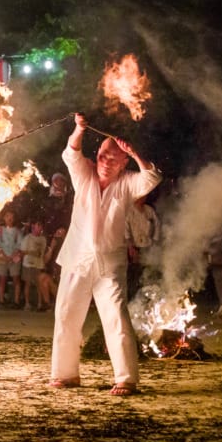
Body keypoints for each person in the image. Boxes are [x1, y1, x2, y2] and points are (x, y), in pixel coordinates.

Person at [49, 113, 162, 397]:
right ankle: (65, 374)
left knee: (116, 318)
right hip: (77, 258)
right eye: (102, 155)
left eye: (113, 158)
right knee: (66, 315)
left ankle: (126, 379)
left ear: (123, 162)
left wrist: (134, 152)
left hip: (110, 263)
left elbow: (152, 176)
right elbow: (72, 152)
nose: (106, 161)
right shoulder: (84, 172)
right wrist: (78, 128)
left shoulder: (128, 182)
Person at [0, 209, 25, 307]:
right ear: (4, 218)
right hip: (3, 259)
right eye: (7, 216)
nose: (9, 219)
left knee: (16, 279)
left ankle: (16, 301)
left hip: (14, 259)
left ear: (14, 219)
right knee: (1, 279)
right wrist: (4, 256)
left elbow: (20, 246)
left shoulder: (18, 232)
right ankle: (1, 300)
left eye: (11, 217)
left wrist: (13, 256)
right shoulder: (0, 231)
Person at [20, 220, 53, 311]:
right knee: (28, 284)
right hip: (28, 264)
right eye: (38, 226)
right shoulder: (27, 238)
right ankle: (27, 304)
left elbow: (43, 253)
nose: (40, 228)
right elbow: (22, 252)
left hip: (39, 264)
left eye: (41, 226)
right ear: (33, 226)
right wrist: (31, 252)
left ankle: (40, 303)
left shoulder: (43, 239)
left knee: (40, 285)